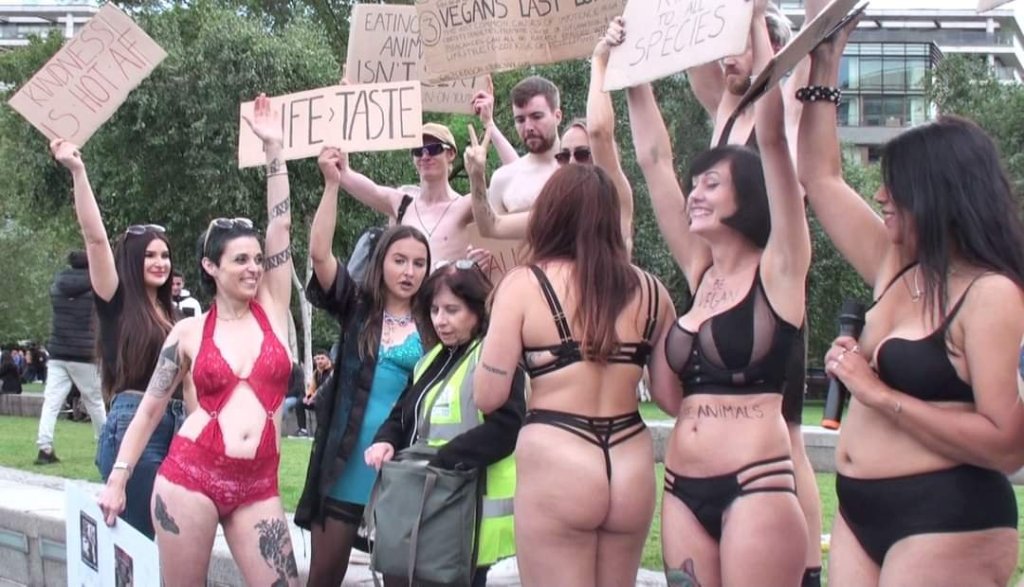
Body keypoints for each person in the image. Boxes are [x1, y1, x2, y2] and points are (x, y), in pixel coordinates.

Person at [800, 17, 1024, 586]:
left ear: (937, 194)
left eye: (894, 185)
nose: (879, 195)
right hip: (858, 513)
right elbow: (820, 178)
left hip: (946, 515)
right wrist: (824, 66)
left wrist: (877, 393)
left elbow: (1007, 444)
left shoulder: (990, 295)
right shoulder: (895, 264)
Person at [630, 2, 812, 584]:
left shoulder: (781, 268)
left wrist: (755, 21)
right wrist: (629, 72)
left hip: (756, 486)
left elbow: (775, 142)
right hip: (681, 491)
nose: (695, 194)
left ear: (749, 195)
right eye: (696, 185)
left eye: (712, 183)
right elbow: (653, 161)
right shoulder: (699, 271)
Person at [97, 94, 299, 585]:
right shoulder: (188, 332)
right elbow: (149, 410)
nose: (254, 268)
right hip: (191, 476)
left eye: (257, 259)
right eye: (240, 260)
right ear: (211, 266)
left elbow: (281, 224)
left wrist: (274, 150)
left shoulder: (273, 308)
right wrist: (119, 478)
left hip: (258, 483)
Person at [472, 163, 675, 587]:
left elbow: (488, 395)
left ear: (549, 214)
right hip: (630, 462)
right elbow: (670, 398)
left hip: (558, 457)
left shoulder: (523, 285)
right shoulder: (652, 291)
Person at [294, 147, 431, 587]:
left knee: (401, 579)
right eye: (399, 260)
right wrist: (332, 186)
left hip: (402, 468)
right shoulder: (357, 307)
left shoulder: (435, 323)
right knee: (324, 577)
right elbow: (319, 254)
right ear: (382, 261)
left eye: (419, 263)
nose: (409, 271)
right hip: (345, 460)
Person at [48, 137, 180, 540]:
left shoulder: (172, 314)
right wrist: (78, 171)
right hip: (134, 424)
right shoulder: (115, 299)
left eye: (164, 255)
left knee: (165, 545)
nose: (160, 262)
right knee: (139, 542)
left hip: (175, 426)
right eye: (149, 255)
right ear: (131, 260)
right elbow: (95, 239)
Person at [365, 261, 526, 587]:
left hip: (467, 512)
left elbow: (506, 428)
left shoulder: (494, 358)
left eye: (452, 310)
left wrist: (443, 460)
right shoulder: (429, 360)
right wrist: (385, 440)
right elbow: (402, 414)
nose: (441, 320)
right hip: (426, 501)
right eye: (435, 310)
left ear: (478, 311)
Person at [469, 24, 634, 255]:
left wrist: (599, 62)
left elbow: (599, 132)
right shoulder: (557, 209)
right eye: (564, 156)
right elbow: (491, 227)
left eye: (583, 154)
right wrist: (476, 175)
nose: (572, 162)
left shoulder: (612, 194)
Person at [328, 122, 486, 267]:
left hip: (446, 288)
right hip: (406, 289)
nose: (425, 156)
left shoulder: (466, 205)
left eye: (433, 149)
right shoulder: (402, 203)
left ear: (450, 154)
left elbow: (497, 214)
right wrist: (341, 164)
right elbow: (364, 186)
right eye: (418, 151)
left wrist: (478, 174)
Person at [35, 251, 106, 465]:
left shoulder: (57, 286)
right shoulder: (96, 286)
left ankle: (44, 447)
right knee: (94, 402)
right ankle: (105, 446)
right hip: (85, 353)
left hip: (58, 352)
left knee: (51, 402)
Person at [485, 76, 562, 215]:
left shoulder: (582, 167)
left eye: (537, 117)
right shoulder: (503, 179)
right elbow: (492, 228)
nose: (528, 127)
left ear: (557, 116)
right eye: (520, 120)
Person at [283, 362, 310, 437]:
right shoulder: (281, 370)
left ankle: (277, 426)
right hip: (283, 397)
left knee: (285, 404)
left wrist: (284, 395)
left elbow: (298, 388)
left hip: (295, 396)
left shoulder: (297, 369)